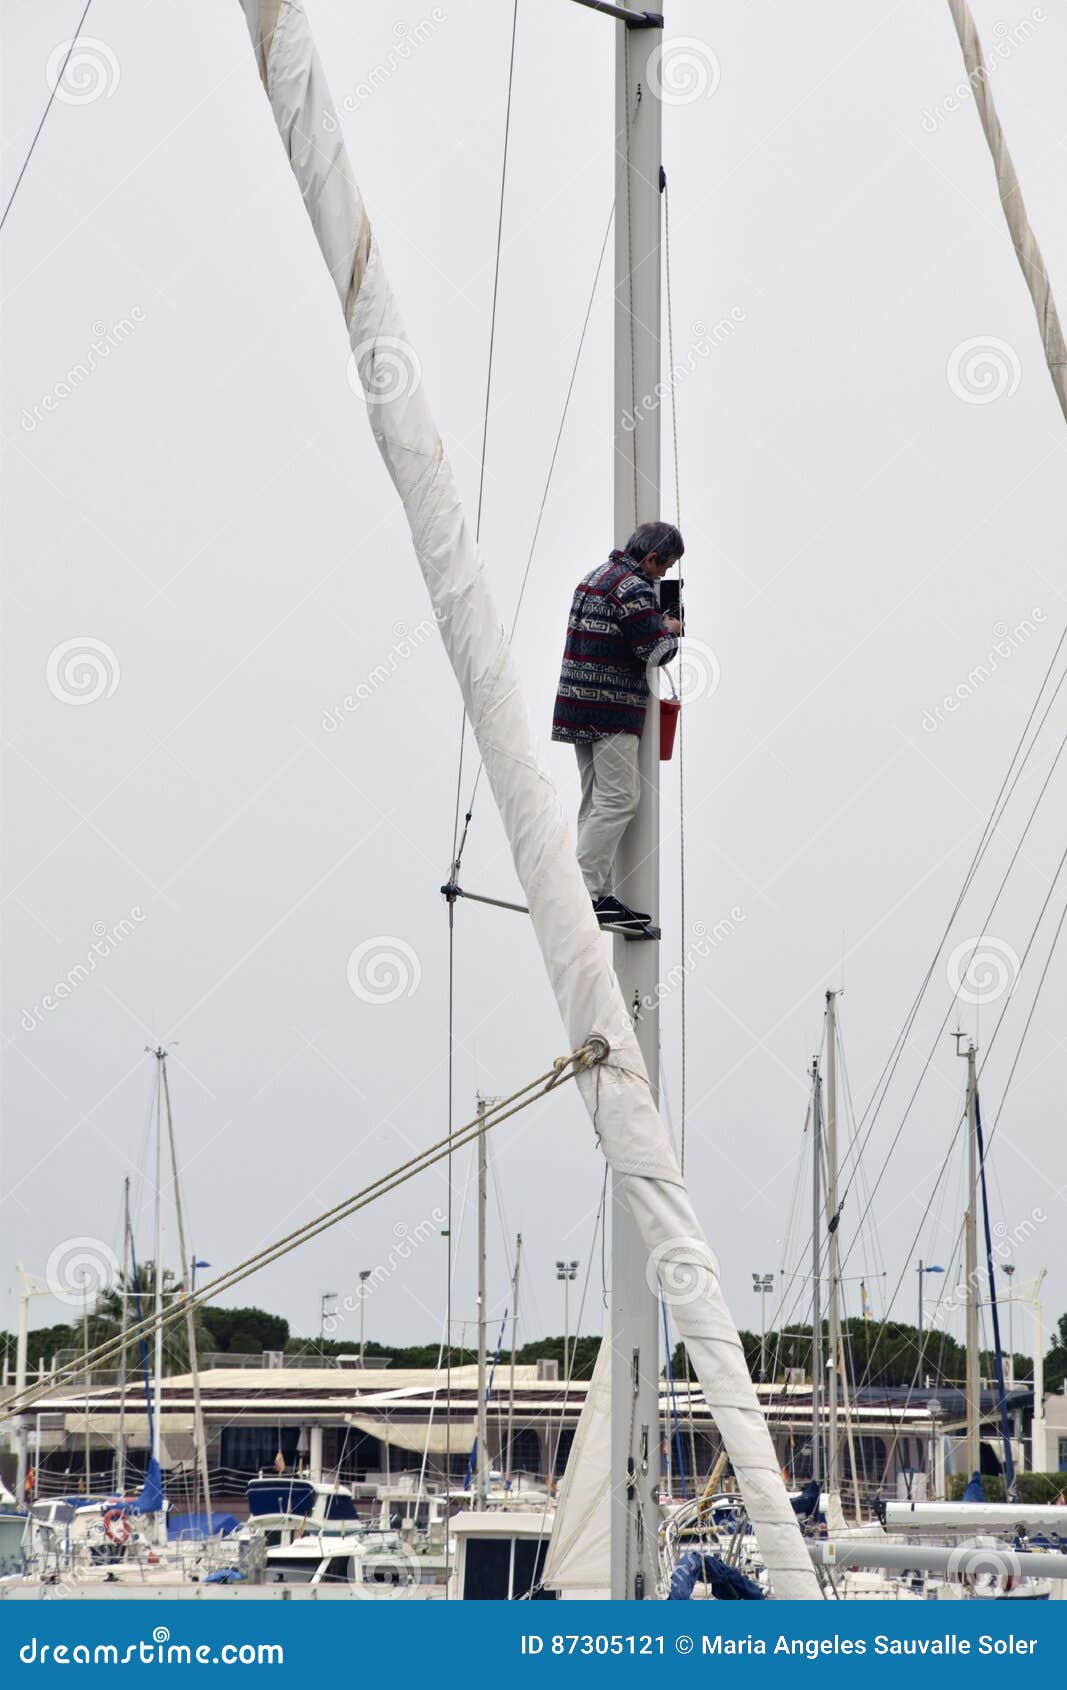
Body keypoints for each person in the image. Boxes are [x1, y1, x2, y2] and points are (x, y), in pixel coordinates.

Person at [552, 521, 684, 928]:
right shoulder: (634, 587)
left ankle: (598, 893)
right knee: (619, 800)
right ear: (650, 559)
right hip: (610, 709)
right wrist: (671, 630)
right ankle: (584, 894)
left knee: (595, 801)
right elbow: (654, 650)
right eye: (664, 567)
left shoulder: (595, 576)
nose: (662, 575)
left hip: (576, 704)